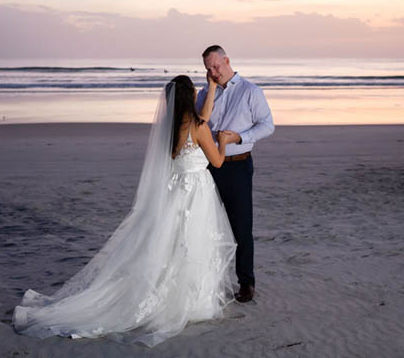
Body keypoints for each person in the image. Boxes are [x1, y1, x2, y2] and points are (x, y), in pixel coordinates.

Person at [12, 75, 236, 347]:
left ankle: (178, 297)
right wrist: (224, 140)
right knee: (192, 244)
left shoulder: (172, 128)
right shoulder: (199, 127)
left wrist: (212, 89)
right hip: (197, 191)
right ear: (191, 97)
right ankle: (192, 302)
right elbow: (218, 162)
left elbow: (197, 124)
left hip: (176, 192)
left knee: (171, 244)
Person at [196, 45, 275, 303]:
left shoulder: (251, 91)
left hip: (237, 165)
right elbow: (199, 123)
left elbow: (267, 125)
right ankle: (207, 280)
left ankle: (246, 282)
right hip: (207, 166)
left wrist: (240, 137)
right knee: (205, 223)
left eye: (216, 66)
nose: (213, 72)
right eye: (208, 68)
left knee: (241, 227)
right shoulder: (204, 93)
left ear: (227, 60)